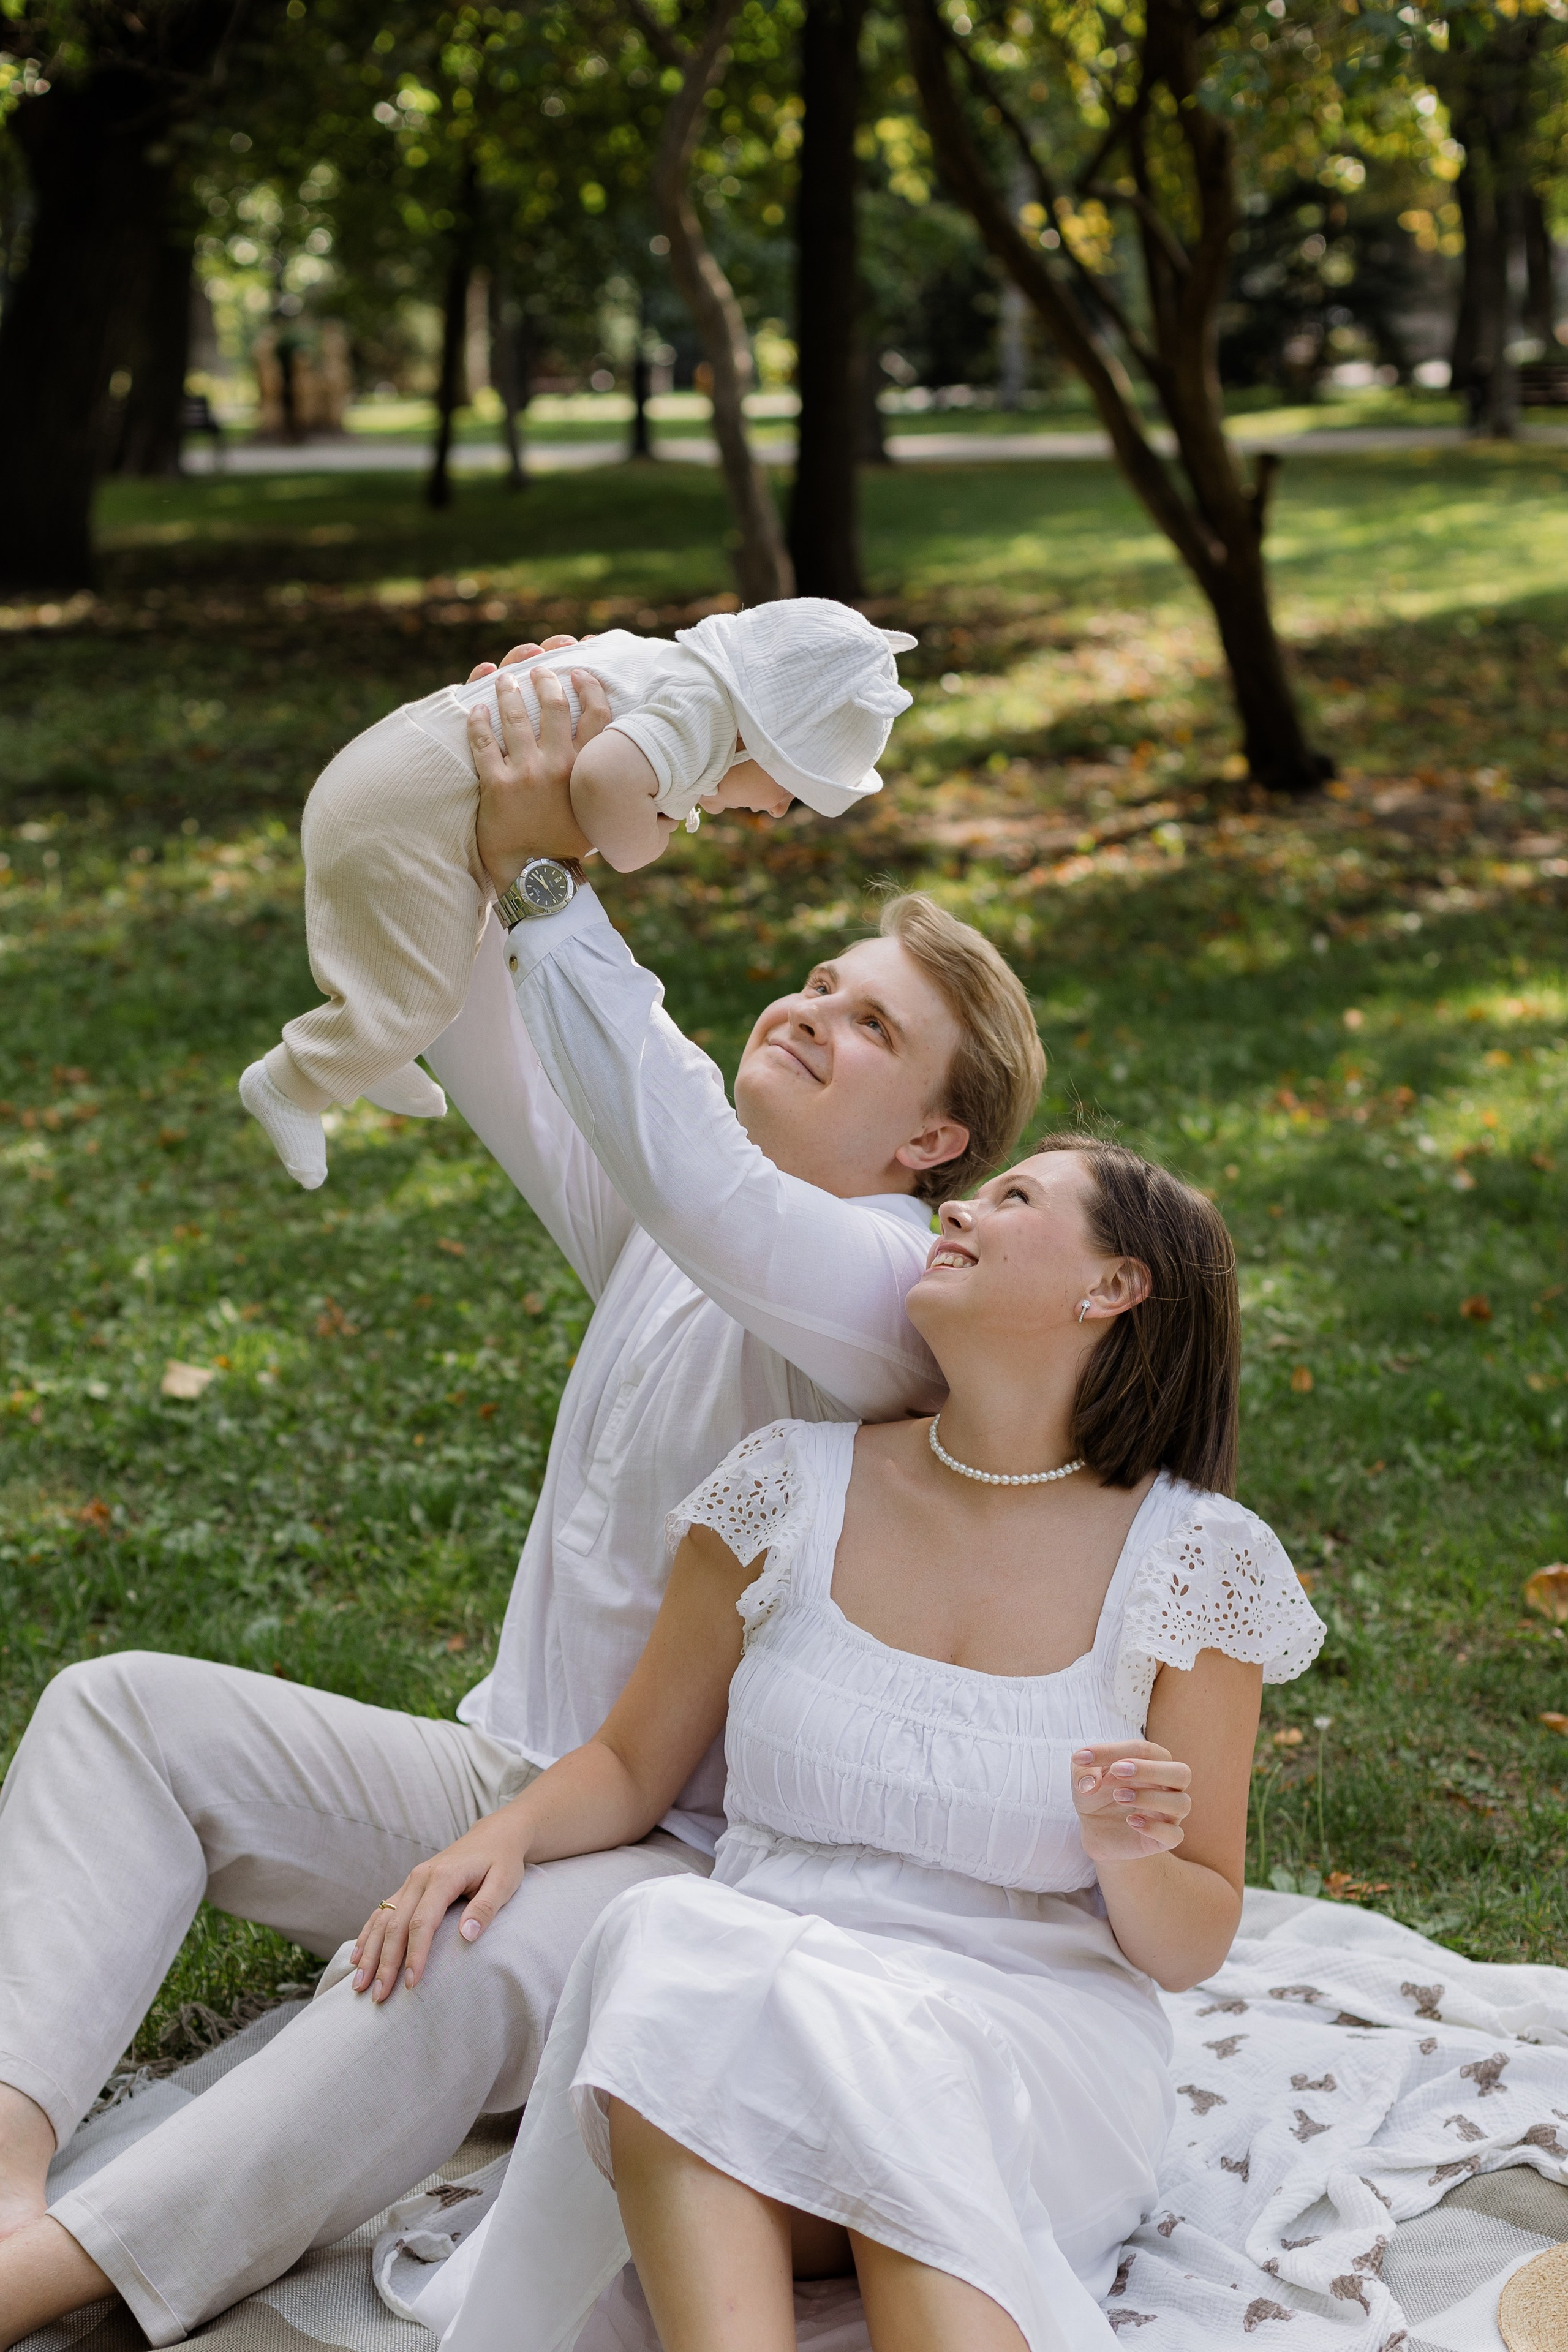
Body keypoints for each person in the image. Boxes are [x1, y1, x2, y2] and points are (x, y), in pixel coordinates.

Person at [0, 658, 1044, 2350]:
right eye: (815, 978)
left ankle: (57, 2276)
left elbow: (699, 1171)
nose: (804, 1010)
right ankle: (6, 2167)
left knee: (448, 1963)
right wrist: (489, 802)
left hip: (685, 1869)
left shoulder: (890, 1290)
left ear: (933, 1137)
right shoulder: (669, 1229)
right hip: (512, 1770)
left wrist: (566, 884)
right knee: (119, 1715)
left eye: (868, 1024)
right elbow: (486, 1022)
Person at [372, 1139, 1327, 2352]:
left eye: (1014, 1198)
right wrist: (496, 1837)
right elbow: (629, 1764)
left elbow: (1192, 1936)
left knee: (844, 2041)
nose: (959, 1208)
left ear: (1112, 1289)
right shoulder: (784, 1485)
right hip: (745, 2025)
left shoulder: (1198, 1561)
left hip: (1027, 2056)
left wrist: (1130, 1856)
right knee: (667, 1942)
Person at [240, 599, 916, 1190]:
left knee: (450, 949)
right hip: (401, 813)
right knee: (429, 990)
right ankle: (291, 1081)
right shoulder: (701, 718)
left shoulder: (666, 667)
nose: (774, 812)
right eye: (789, 790)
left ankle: (368, 1049)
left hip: (395, 778)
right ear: (760, 740)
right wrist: (643, 840)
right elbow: (603, 778)